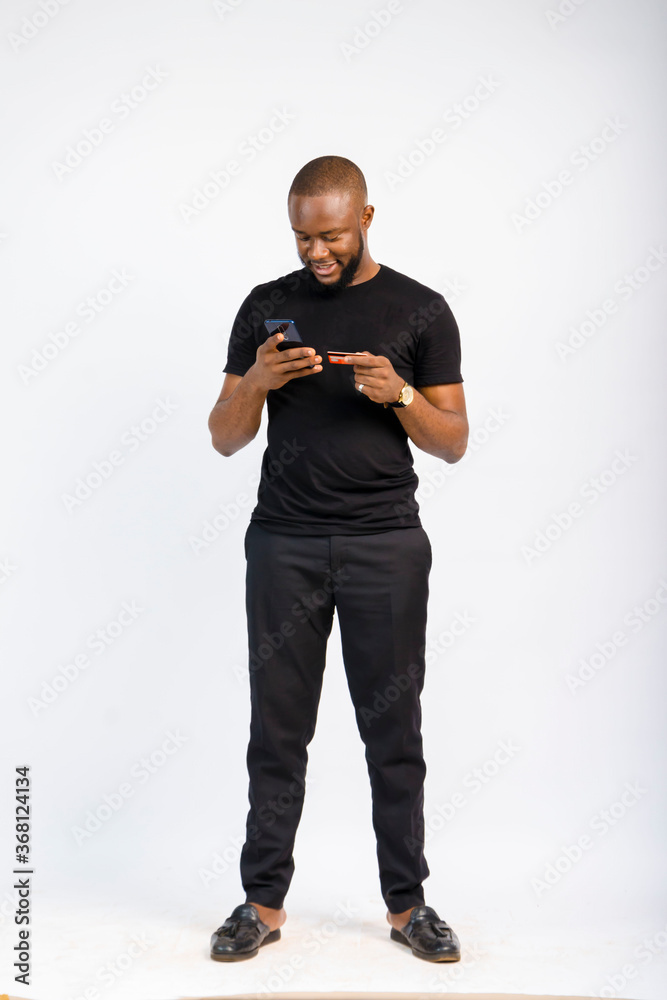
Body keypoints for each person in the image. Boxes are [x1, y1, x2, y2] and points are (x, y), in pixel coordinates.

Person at [207, 155, 468, 964]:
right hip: (282, 540)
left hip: (385, 543)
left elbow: (453, 442)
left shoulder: (420, 310)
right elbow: (224, 435)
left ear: (366, 219)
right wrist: (256, 380)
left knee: (392, 728)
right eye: (300, 235)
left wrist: (399, 395)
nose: (315, 251)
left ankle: (406, 906)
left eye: (330, 235)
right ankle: (261, 904)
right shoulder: (265, 306)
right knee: (276, 732)